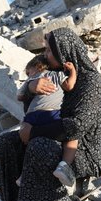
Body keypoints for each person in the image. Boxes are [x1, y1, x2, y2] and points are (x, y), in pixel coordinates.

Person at [0, 27, 101, 201]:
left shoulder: (90, 82)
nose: (44, 55)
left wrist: (34, 132)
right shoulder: (54, 74)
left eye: (48, 50)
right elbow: (32, 110)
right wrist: (31, 88)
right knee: (5, 143)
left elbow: (77, 127)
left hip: (81, 149)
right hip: (55, 134)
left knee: (40, 145)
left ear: (62, 52)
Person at [16, 54, 78, 187]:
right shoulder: (56, 75)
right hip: (51, 113)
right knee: (72, 135)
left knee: (28, 145)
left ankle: (23, 175)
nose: (28, 75)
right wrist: (73, 71)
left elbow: (20, 96)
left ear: (38, 67)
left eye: (29, 72)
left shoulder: (30, 81)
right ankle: (64, 166)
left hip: (31, 117)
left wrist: (30, 87)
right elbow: (70, 86)